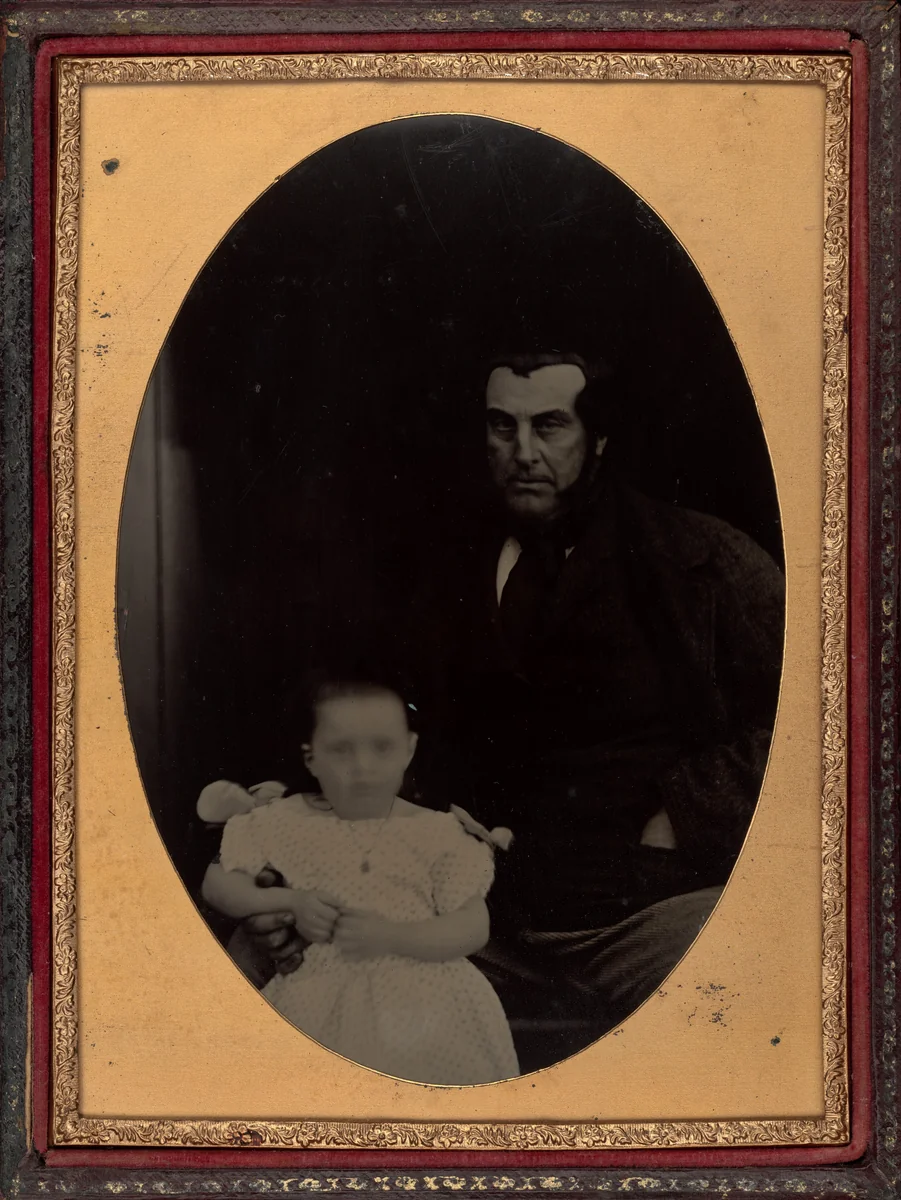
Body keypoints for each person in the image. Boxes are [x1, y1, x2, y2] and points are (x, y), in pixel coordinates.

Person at [226, 351, 785, 1069]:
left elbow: (814, 726)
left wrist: (679, 815)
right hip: (474, 913)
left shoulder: (702, 563)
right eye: (502, 427)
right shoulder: (435, 567)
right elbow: (354, 724)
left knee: (758, 985)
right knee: (269, 954)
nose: (523, 453)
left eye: (549, 426)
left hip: (647, 914)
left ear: (598, 439)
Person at [200, 673, 520, 1085]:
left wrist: (393, 937)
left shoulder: (435, 832)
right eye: (341, 750)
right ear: (311, 756)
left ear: (409, 750)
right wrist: (286, 902)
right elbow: (219, 883)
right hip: (319, 991)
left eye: (381, 748)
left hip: (430, 1000)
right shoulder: (285, 822)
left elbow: (473, 925)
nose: (363, 766)